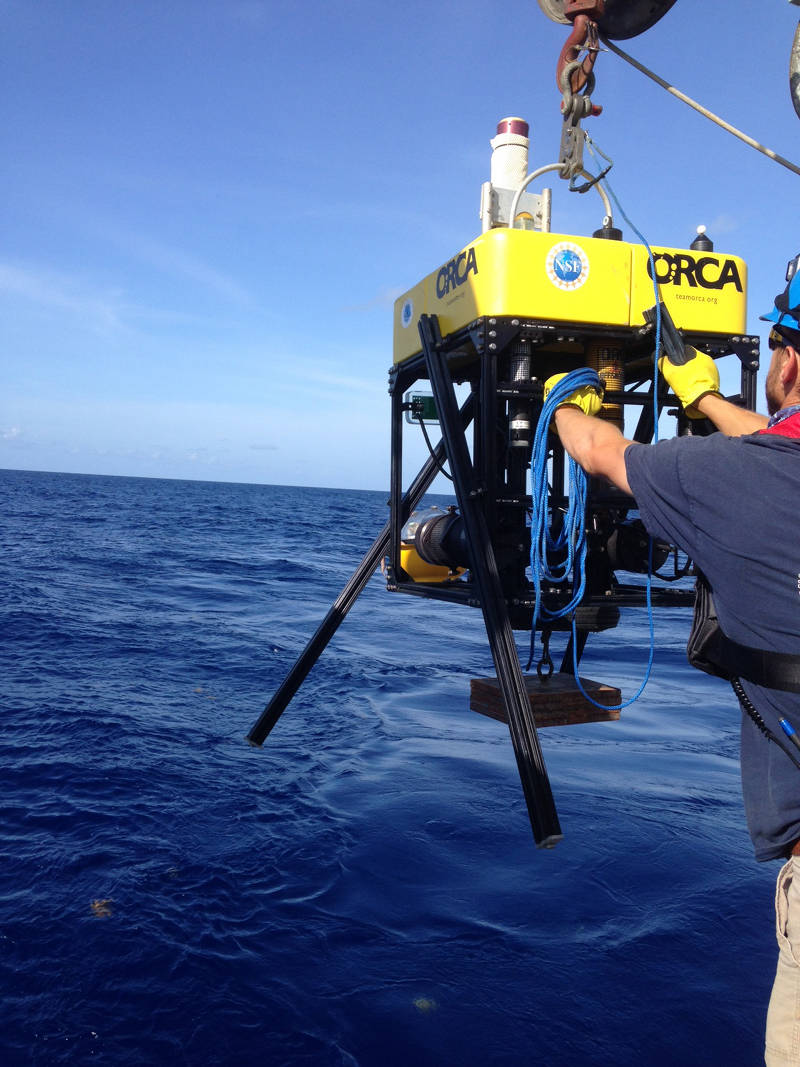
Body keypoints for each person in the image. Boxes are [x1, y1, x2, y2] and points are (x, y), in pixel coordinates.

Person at [547, 255, 800, 1065]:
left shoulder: (739, 482)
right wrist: (702, 397)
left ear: (788, 359)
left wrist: (565, 397)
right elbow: (779, 446)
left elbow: (600, 453)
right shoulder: (758, 465)